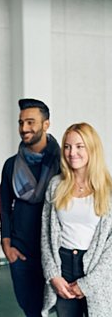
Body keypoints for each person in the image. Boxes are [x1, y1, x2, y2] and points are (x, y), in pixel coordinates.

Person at [41, 122, 112, 317]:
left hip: (95, 269)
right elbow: (46, 236)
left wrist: (88, 283)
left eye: (79, 146)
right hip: (62, 267)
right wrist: (53, 274)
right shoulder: (56, 185)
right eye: (67, 146)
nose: (72, 152)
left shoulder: (108, 190)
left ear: (92, 148)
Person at [0, 98, 60, 317]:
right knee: (31, 311)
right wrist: (6, 244)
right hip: (21, 252)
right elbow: (4, 207)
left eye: (30, 122)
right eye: (21, 122)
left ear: (46, 124)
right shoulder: (11, 165)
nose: (24, 128)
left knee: (64, 309)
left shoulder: (62, 162)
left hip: (55, 253)